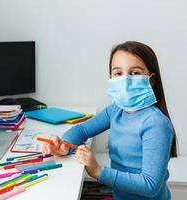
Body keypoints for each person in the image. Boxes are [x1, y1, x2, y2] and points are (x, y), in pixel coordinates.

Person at [42, 41, 177, 200]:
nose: (125, 80)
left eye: (134, 73)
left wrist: (98, 171)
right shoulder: (116, 110)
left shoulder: (156, 123)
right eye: (118, 73)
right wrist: (64, 145)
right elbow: (82, 130)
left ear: (151, 80)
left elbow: (150, 185)